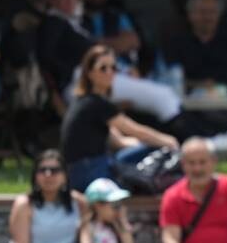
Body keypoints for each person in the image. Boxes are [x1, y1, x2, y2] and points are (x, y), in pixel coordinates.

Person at [37, 0, 184, 126]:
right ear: (51, 0)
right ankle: (190, 142)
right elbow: (46, 61)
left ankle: (186, 140)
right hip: (83, 85)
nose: (69, 0)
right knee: (163, 96)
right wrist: (55, 94)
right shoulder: (53, 23)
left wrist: (122, 69)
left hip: (102, 80)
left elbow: (133, 42)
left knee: (163, 97)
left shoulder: (76, 23)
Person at [61, 45, 178, 191]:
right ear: (89, 73)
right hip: (92, 171)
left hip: (80, 172)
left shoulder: (83, 101)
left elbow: (118, 142)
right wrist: (168, 142)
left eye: (113, 68)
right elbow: (135, 130)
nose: (110, 72)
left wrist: (146, 147)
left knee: (150, 149)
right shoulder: (96, 103)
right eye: (103, 68)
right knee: (158, 155)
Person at [163, 0, 227, 92]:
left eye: (212, 12)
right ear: (190, 14)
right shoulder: (176, 42)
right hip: (189, 104)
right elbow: (170, 79)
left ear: (219, 14)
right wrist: (199, 85)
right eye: (202, 12)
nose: (207, 17)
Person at [78, 0, 142, 70]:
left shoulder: (116, 15)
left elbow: (133, 41)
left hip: (119, 71)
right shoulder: (74, 15)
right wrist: (114, 44)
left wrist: (95, 44)